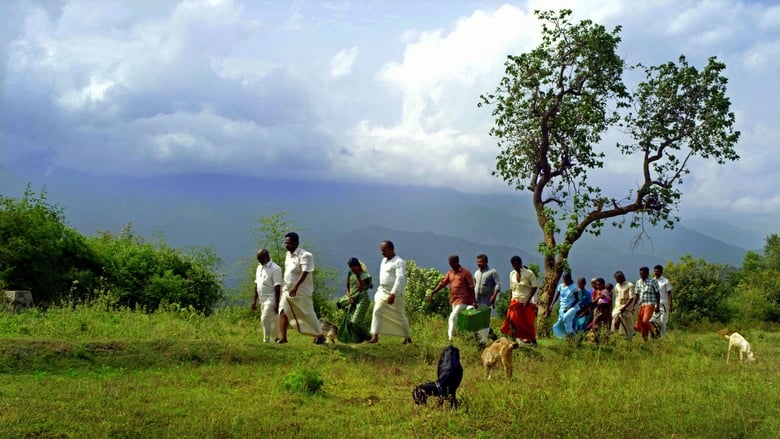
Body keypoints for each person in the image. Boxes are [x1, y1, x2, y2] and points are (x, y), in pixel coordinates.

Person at [277, 232, 326, 345]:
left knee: (307, 313)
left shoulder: (305, 255)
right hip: (287, 290)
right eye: (285, 243)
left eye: (289, 243)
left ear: (296, 243)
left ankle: (319, 334)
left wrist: (295, 286)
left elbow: (305, 272)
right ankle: (283, 338)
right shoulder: (287, 255)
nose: (286, 245)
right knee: (283, 311)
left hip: (301, 292)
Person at [366, 240, 412, 344]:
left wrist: (393, 293)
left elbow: (400, 278)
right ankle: (375, 337)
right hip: (382, 292)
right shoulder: (384, 260)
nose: (382, 253)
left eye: (385, 251)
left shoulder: (399, 262)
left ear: (391, 250)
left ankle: (408, 338)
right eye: (382, 251)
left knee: (399, 316)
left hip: (395, 294)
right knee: (377, 311)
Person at [427, 255, 477, 343]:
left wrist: (474, 301)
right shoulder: (450, 273)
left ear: (457, 262)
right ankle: (468, 336)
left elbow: (471, 287)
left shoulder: (465, 272)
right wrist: (433, 292)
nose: (451, 265)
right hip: (454, 300)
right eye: (450, 264)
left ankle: (450, 339)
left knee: (452, 316)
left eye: (453, 263)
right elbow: (442, 284)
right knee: (459, 319)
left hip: (463, 299)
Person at [500, 256, 538, 347]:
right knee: (512, 319)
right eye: (513, 265)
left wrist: (528, 300)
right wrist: (510, 301)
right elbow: (511, 288)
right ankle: (514, 339)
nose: (515, 267)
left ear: (520, 263)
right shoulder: (512, 274)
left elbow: (534, 287)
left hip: (526, 301)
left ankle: (532, 339)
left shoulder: (529, 273)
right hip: (515, 300)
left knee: (527, 321)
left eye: (516, 265)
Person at [336, 257, 372, 343]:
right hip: (352, 299)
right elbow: (348, 287)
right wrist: (349, 298)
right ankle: (359, 339)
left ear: (358, 266)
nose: (351, 268)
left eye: (353, 266)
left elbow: (361, 288)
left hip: (362, 299)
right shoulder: (350, 273)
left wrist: (357, 276)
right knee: (350, 321)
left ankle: (370, 337)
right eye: (350, 267)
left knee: (356, 321)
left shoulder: (365, 275)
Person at [251, 248, 282, 343]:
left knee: (264, 319)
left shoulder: (275, 269)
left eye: (260, 259)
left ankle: (266, 341)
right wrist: (254, 300)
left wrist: (277, 303)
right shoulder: (259, 267)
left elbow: (277, 287)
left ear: (266, 257)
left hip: (271, 298)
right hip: (262, 299)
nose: (259, 261)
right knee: (272, 320)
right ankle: (275, 338)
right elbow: (257, 284)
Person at [473, 254, 501, 344]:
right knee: (477, 320)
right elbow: (474, 285)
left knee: (484, 321)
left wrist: (494, 296)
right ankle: (492, 336)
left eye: (480, 262)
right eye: (477, 262)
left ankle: (483, 341)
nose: (478, 264)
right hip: (477, 301)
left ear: (486, 262)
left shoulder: (492, 272)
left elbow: (498, 285)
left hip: (487, 301)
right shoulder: (476, 273)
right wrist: (473, 300)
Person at [633, 266, 660, 341]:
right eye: (640, 274)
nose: (641, 275)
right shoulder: (638, 282)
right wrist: (633, 305)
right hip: (641, 304)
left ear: (647, 274)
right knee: (642, 324)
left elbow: (657, 294)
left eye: (643, 274)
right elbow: (636, 295)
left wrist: (657, 305)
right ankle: (646, 341)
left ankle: (655, 330)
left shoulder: (653, 281)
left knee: (645, 320)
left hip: (650, 303)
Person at [552, 272, 580, 339]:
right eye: (564, 279)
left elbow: (577, 299)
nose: (565, 281)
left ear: (570, 279)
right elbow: (557, 296)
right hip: (562, 307)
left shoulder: (574, 287)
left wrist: (568, 307)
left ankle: (571, 334)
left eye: (566, 279)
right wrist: (552, 304)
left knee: (566, 317)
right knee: (563, 322)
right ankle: (570, 336)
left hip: (572, 307)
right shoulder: (561, 286)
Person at [611, 271, 636, 340]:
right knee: (616, 322)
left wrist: (625, 307)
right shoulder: (617, 285)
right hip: (618, 307)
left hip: (626, 306)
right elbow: (616, 296)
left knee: (628, 324)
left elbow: (631, 298)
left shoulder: (630, 285)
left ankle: (629, 339)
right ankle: (615, 338)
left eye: (617, 278)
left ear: (621, 277)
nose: (616, 280)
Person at [653, 264, 672, 337]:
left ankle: (662, 337)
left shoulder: (665, 281)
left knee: (663, 321)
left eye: (657, 271)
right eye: (655, 271)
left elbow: (669, 293)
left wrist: (670, 305)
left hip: (663, 304)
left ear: (661, 272)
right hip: (654, 304)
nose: (656, 273)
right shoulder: (652, 281)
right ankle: (656, 334)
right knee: (653, 320)